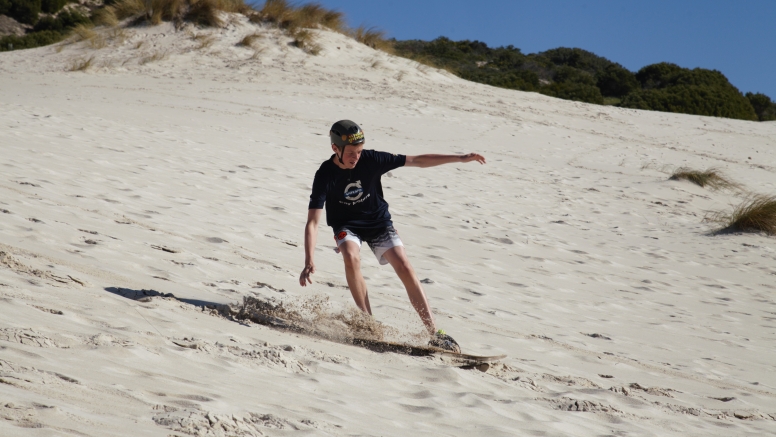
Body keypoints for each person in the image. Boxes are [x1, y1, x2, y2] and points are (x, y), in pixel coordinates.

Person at [299, 120, 486, 352]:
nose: (356, 157)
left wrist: (459, 158)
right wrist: (309, 260)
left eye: (359, 152)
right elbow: (312, 223)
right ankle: (367, 323)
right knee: (350, 255)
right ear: (335, 149)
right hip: (347, 225)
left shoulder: (372, 159)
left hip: (378, 222)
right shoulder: (325, 174)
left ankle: (435, 334)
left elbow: (416, 161)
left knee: (404, 265)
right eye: (351, 153)